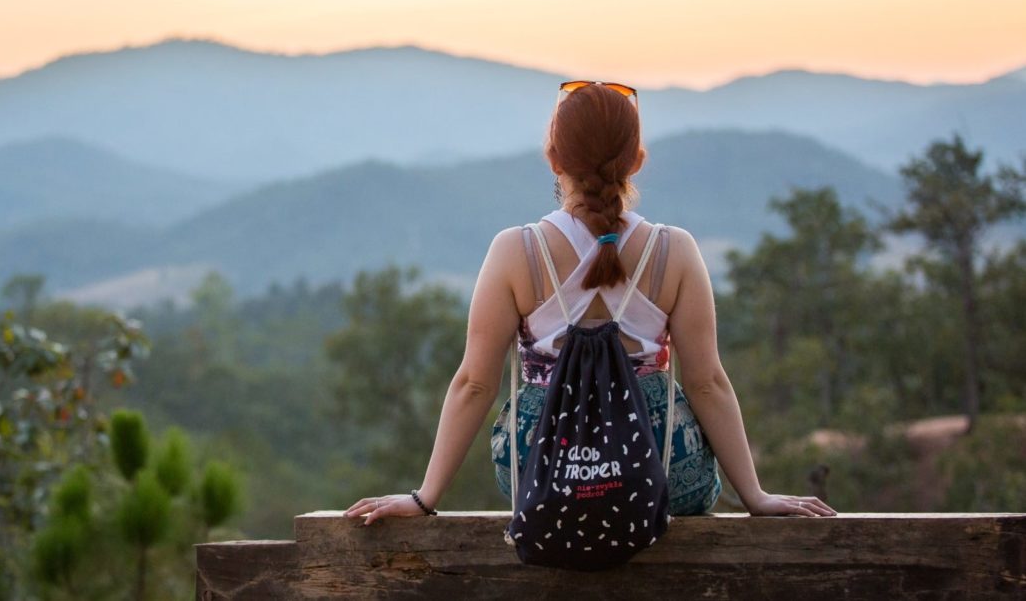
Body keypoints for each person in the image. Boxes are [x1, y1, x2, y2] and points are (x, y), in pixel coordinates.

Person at [344, 81, 836, 525]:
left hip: (545, 474)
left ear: (554, 158)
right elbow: (707, 382)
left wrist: (426, 497)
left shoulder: (517, 251)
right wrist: (754, 495)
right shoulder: (675, 251)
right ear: (637, 160)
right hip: (660, 472)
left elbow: (474, 383)